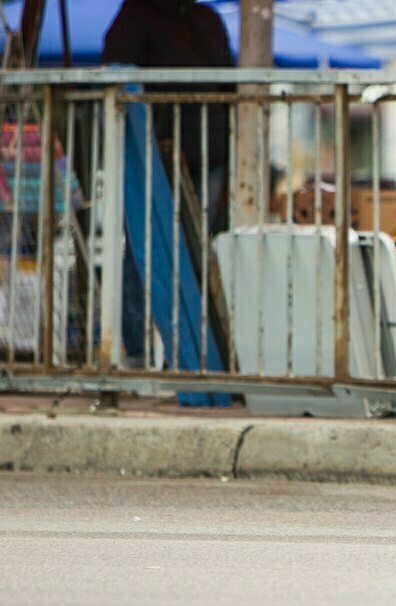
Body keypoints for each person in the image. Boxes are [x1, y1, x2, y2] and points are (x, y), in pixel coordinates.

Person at [103, 0, 234, 368]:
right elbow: (118, 77)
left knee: (197, 253)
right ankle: (140, 348)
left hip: (209, 151)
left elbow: (230, 85)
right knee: (144, 249)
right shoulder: (136, 14)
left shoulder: (206, 18)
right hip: (155, 152)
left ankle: (195, 352)